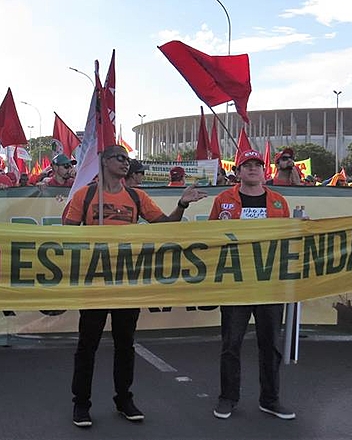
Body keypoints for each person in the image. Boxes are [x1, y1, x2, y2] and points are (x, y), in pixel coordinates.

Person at [63, 145, 207, 427]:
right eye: (120, 158)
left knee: (125, 344)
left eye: (128, 160)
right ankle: (81, 403)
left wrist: (182, 204)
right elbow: (67, 232)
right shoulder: (86, 195)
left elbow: (164, 226)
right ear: (104, 162)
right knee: (87, 345)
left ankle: (124, 399)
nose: (126, 164)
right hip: (95, 282)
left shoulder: (136, 196)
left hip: (127, 281)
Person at [209, 149, 296, 421]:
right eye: (247, 165)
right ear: (238, 171)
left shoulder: (279, 202)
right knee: (231, 344)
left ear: (264, 170)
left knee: (270, 344)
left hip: (269, 284)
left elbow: (288, 240)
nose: (252, 169)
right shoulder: (224, 199)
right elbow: (210, 235)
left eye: (257, 164)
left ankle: (270, 400)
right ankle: (228, 398)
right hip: (236, 283)